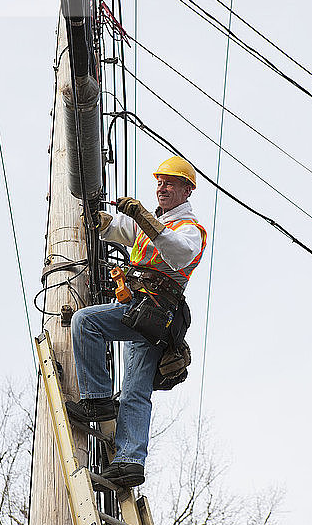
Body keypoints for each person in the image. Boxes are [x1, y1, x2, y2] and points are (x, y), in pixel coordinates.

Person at [66, 156, 207, 488]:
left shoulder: (189, 229)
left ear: (187, 190)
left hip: (153, 309)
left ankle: (97, 399)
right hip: (143, 313)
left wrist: (141, 215)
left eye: (170, 182)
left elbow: (177, 253)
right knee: (135, 391)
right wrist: (100, 221)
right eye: (160, 181)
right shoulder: (153, 225)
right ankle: (129, 462)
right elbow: (117, 228)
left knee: (86, 322)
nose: (162, 187)